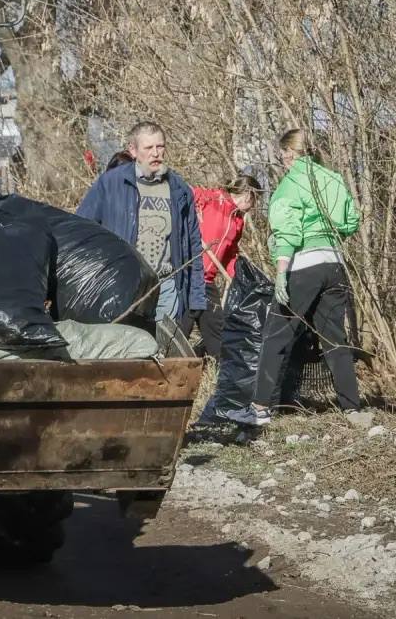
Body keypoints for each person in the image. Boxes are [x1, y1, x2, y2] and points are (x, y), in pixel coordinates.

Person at [220, 129, 362, 426]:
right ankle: (353, 408)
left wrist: (282, 271)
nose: (282, 161)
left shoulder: (290, 184)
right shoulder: (333, 179)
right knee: (335, 337)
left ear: (289, 154)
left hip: (302, 266)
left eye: (283, 156)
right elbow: (351, 220)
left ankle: (259, 410)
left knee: (276, 334)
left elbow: (288, 232)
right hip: (334, 264)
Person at [76, 121, 206, 338]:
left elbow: (193, 246)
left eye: (160, 146)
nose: (156, 153)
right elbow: (81, 229)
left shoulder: (179, 190)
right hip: (122, 284)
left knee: (162, 353)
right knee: (124, 350)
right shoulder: (111, 184)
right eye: (148, 148)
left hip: (166, 284)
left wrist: (196, 297)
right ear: (133, 150)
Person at [184, 174, 264, 357]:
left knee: (218, 336)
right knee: (179, 331)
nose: (254, 206)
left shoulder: (238, 220)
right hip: (188, 277)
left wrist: (237, 278)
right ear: (247, 195)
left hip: (207, 281)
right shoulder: (213, 199)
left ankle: (224, 378)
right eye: (255, 199)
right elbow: (186, 192)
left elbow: (230, 253)